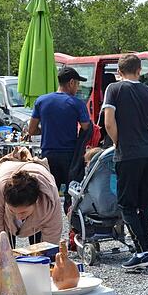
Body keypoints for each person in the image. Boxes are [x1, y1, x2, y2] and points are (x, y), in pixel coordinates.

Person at [102, 54, 148, 269]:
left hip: (128, 154)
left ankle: (142, 251)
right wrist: (147, 132)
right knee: (145, 205)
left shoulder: (114, 89)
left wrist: (118, 140)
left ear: (119, 72)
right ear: (140, 71)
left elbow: (109, 122)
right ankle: (143, 251)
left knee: (127, 205)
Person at [27, 67, 92, 213]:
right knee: (73, 195)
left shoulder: (41, 101)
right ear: (71, 82)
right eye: (77, 84)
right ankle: (72, 228)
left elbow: (31, 130)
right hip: (70, 157)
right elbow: (86, 127)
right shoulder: (76, 103)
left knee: (47, 195)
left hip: (48, 155)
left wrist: (47, 130)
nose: (77, 88)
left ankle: (45, 228)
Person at [0, 148, 62, 248]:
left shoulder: (49, 197)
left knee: (40, 249)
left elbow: (52, 240)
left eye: (23, 212)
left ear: (36, 201)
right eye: (13, 211)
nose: (18, 217)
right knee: (3, 246)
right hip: (2, 175)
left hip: (39, 214)